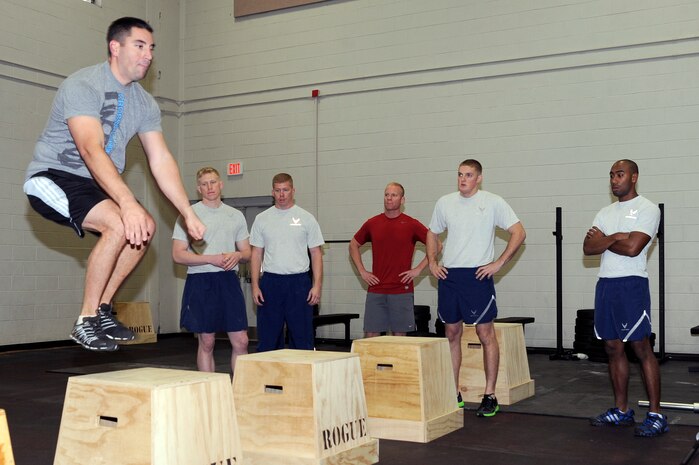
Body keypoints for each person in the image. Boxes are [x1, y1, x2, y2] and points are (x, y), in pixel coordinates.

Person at [23, 17, 205, 351]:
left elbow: (161, 160)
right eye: (139, 46)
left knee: (144, 228)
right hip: (54, 177)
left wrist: (186, 211)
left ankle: (103, 309)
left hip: (97, 184)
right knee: (121, 224)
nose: (148, 55)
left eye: (151, 48)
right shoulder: (83, 84)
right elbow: (91, 149)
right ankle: (85, 320)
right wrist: (128, 203)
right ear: (115, 47)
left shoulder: (145, 103)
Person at [426, 159, 526, 416]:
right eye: (460, 174)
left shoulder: (492, 202)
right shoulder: (444, 202)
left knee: (485, 334)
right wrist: (433, 262)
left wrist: (498, 263)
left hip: (478, 276)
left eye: (469, 175)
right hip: (450, 276)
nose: (463, 179)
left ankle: (490, 394)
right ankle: (453, 392)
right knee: (451, 334)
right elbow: (432, 233)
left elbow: (518, 232)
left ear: (479, 178)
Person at [583, 159, 667, 437]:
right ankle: (621, 411)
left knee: (640, 347)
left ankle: (656, 414)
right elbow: (588, 247)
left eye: (620, 174)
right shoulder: (604, 212)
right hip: (605, 285)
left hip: (631, 285)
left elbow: (633, 248)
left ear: (634, 177)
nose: (614, 180)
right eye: (611, 175)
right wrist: (615, 237)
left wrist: (606, 239)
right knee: (612, 348)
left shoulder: (647, 208)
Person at [172, 167, 251, 373]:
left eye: (213, 182)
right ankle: (209, 392)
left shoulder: (235, 216)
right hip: (201, 281)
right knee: (207, 342)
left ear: (221, 184)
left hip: (228, 281)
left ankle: (240, 393)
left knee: (241, 341)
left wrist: (238, 255)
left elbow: (247, 252)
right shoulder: (188, 216)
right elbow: (178, 254)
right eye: (205, 184)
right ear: (199, 189)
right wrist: (211, 259)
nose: (210, 187)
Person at [349, 182, 436, 337]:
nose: (389, 198)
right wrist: (362, 271)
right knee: (371, 336)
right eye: (387, 194)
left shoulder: (411, 224)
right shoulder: (373, 223)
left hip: (401, 290)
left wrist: (418, 269)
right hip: (376, 289)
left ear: (402, 200)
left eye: (394, 195)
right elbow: (353, 245)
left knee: (399, 338)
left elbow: (437, 245)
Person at [249, 173, 324, 351]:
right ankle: (268, 377)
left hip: (299, 284)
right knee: (268, 339)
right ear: (272, 192)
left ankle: (303, 378)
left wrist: (317, 286)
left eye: (285, 190)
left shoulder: (307, 218)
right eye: (278, 190)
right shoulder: (262, 219)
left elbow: (316, 254)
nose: (282, 194)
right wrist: (255, 285)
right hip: (270, 283)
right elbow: (256, 254)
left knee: (302, 338)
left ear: (293, 190)